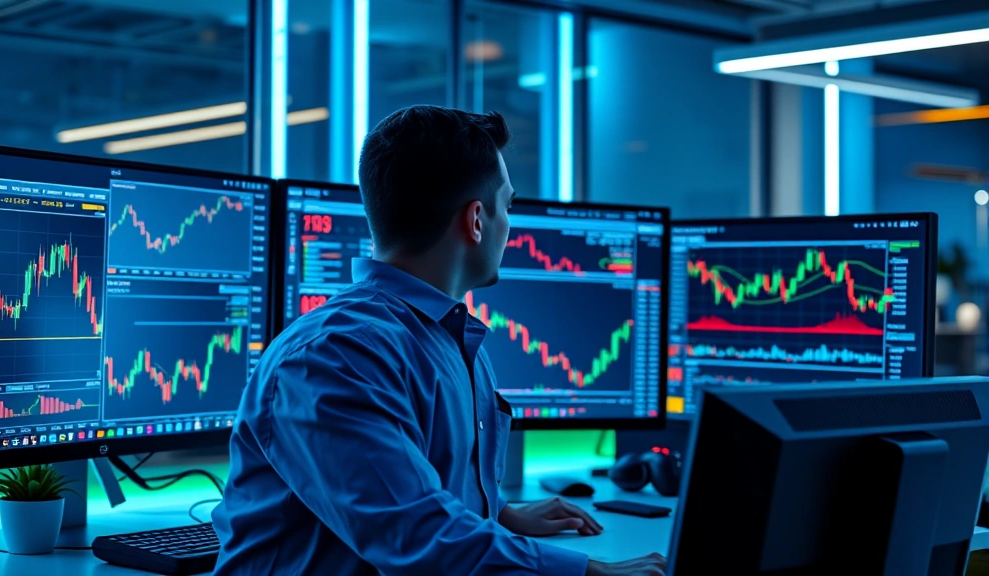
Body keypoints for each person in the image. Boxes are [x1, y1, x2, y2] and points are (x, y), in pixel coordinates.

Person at [212, 105, 667, 576]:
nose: (509, 226)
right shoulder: (332, 357)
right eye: (507, 206)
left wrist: (500, 513)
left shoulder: (444, 334)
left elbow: (402, 482)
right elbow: (417, 538)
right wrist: (593, 572)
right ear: (475, 220)